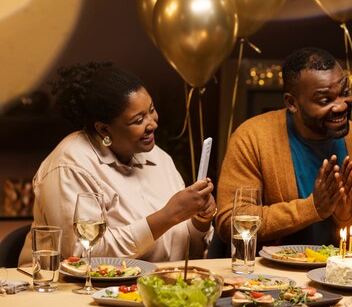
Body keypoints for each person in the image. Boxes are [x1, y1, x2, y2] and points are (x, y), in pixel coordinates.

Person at [18, 62, 217, 265]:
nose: (153, 123)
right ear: (104, 130)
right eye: (138, 120)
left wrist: (200, 220)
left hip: (152, 288)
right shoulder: (69, 165)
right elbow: (82, 256)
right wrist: (167, 216)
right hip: (64, 290)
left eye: (151, 110)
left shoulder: (159, 158)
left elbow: (183, 254)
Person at [215, 47, 352, 246]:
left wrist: (348, 215)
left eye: (345, 93)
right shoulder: (252, 138)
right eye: (325, 100)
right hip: (270, 275)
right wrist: (312, 208)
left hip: (340, 273)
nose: (341, 106)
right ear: (292, 102)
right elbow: (230, 222)